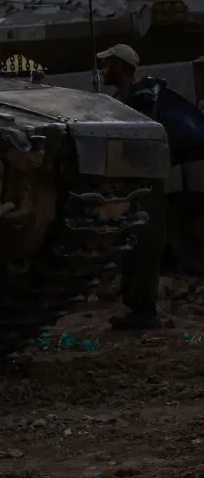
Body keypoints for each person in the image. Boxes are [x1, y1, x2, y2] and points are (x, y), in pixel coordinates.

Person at [97, 44, 166, 330]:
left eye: (107, 64)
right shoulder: (123, 98)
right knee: (133, 245)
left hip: (146, 184)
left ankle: (145, 311)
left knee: (144, 244)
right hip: (133, 183)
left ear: (119, 66)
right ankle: (138, 307)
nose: (103, 70)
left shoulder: (140, 98)